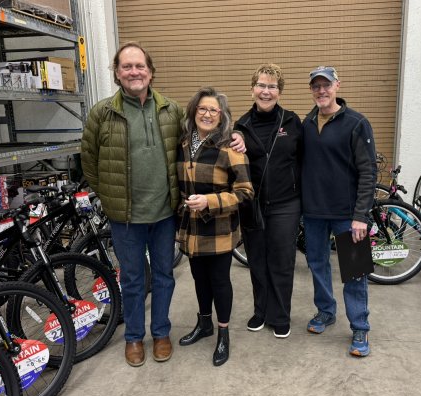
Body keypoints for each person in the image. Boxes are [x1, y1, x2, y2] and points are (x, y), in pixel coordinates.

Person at [81, 42, 245, 368]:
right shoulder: (102, 113)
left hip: (165, 214)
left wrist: (238, 135)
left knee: (163, 277)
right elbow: (90, 163)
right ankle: (133, 339)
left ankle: (160, 333)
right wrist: (111, 197)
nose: (134, 72)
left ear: (151, 72)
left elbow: (208, 127)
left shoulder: (171, 111)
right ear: (116, 72)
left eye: (140, 66)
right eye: (126, 66)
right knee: (131, 280)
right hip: (125, 217)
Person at [302, 66, 377, 357]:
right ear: (311, 90)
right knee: (317, 264)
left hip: (348, 214)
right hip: (313, 212)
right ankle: (325, 311)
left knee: (355, 272)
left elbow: (368, 171)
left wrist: (361, 215)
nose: (321, 91)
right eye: (316, 86)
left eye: (326, 85)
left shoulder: (356, 123)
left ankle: (359, 326)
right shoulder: (307, 123)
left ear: (337, 86)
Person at [176, 87, 254, 367]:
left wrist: (210, 201)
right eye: (202, 109)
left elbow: (245, 192)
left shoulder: (229, 147)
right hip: (191, 228)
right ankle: (204, 324)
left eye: (213, 110)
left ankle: (223, 332)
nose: (207, 114)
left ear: (222, 116)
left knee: (220, 281)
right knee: (199, 278)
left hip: (219, 227)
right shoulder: (184, 142)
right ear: (193, 112)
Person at [233, 64, 303, 338]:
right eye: (261, 85)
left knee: (282, 261)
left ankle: (280, 314)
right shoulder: (241, 126)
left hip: (286, 203)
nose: (266, 91)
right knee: (257, 261)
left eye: (272, 86)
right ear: (252, 90)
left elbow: (304, 160)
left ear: (279, 91)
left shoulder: (292, 121)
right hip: (252, 204)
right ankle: (261, 311)